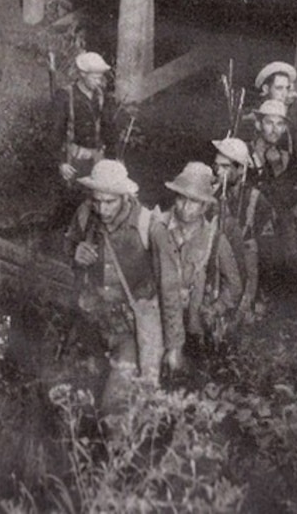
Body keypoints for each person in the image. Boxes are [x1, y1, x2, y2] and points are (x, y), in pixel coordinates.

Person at [66, 159, 163, 414]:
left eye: (109, 202)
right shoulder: (85, 214)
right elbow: (66, 247)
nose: (102, 208)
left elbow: (169, 280)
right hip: (93, 323)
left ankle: (120, 449)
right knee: (78, 402)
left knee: (114, 406)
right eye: (97, 200)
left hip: (129, 329)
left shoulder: (146, 222)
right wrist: (75, 253)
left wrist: (172, 343)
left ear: (124, 197)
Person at [155, 162, 242, 373]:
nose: (185, 207)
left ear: (204, 206)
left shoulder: (215, 240)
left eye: (194, 201)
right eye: (181, 198)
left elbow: (235, 285)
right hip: (159, 322)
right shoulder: (158, 228)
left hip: (196, 329)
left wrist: (214, 309)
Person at [212, 136, 274, 318]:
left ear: (240, 169)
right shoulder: (209, 197)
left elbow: (268, 254)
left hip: (247, 277)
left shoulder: (257, 201)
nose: (218, 172)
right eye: (217, 165)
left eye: (225, 167)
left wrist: (261, 297)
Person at [52, 51, 119, 185]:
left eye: (100, 78)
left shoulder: (102, 96)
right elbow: (56, 132)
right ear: (82, 74)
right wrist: (61, 163)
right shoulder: (65, 96)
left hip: (98, 158)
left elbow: (109, 128)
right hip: (74, 159)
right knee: (73, 195)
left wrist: (112, 159)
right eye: (94, 78)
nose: (98, 82)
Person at [249, 100, 297, 262]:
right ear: (258, 125)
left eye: (279, 124)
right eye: (269, 123)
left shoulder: (287, 158)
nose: (274, 130)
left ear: (284, 129)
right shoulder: (245, 153)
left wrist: (277, 167)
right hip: (250, 230)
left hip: (277, 234)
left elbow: (290, 201)